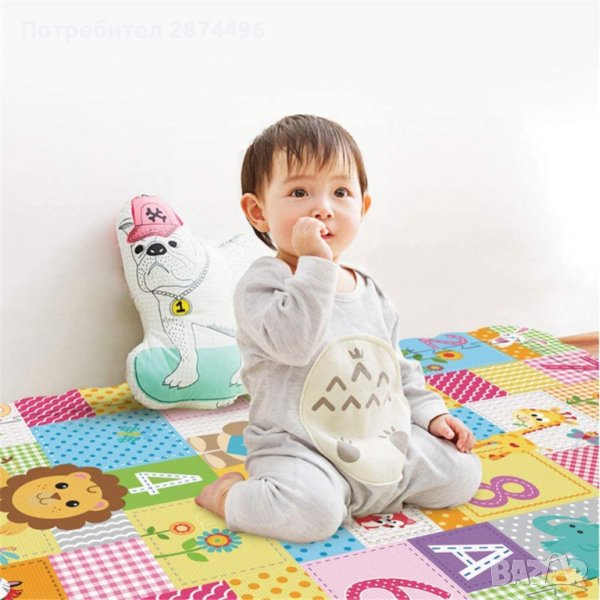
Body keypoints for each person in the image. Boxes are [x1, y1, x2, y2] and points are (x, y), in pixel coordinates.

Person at [195, 114, 482, 542]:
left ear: (362, 207)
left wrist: (431, 415)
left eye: (341, 192)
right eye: (299, 192)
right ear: (258, 212)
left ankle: (363, 491)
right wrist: (315, 264)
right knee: (310, 515)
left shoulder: (369, 290)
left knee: (461, 473)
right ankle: (228, 496)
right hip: (301, 449)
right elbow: (294, 344)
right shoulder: (262, 284)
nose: (323, 208)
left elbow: (396, 368)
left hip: (378, 439)